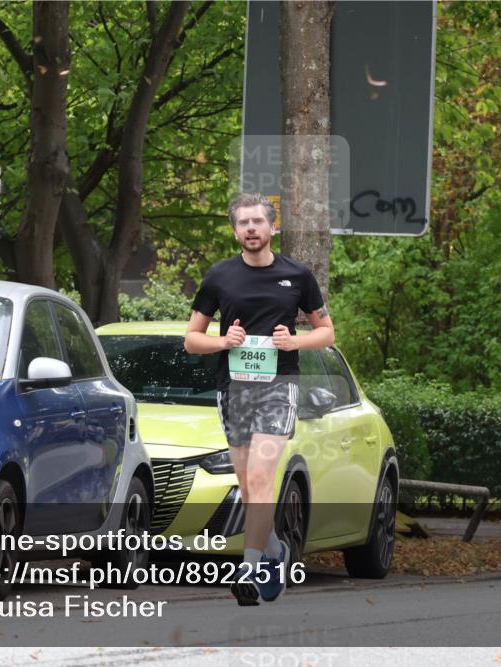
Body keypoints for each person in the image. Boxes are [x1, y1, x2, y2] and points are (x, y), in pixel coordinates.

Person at [184, 192, 335, 606]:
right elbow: (191, 340)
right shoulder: (219, 277)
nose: (251, 228)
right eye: (243, 223)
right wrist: (222, 341)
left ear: (273, 228)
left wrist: (295, 341)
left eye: (258, 222)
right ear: (235, 231)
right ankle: (274, 550)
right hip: (234, 388)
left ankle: (249, 568)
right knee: (250, 488)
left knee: (261, 478)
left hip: (278, 385)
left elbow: (328, 333)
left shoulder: (298, 275)